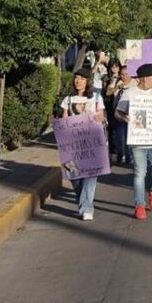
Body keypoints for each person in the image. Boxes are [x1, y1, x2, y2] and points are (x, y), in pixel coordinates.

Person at [115, 63, 152, 220]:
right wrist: (126, 118)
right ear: (146, 78)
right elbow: (118, 113)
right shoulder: (130, 93)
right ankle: (139, 205)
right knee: (140, 173)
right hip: (138, 141)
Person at [56, 68, 107, 220]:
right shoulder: (68, 100)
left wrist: (98, 118)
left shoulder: (96, 98)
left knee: (90, 175)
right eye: (76, 78)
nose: (78, 81)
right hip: (73, 144)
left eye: (82, 78)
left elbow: (102, 117)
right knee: (74, 175)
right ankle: (83, 201)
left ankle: (86, 208)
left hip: (92, 143)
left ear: (88, 82)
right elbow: (65, 119)